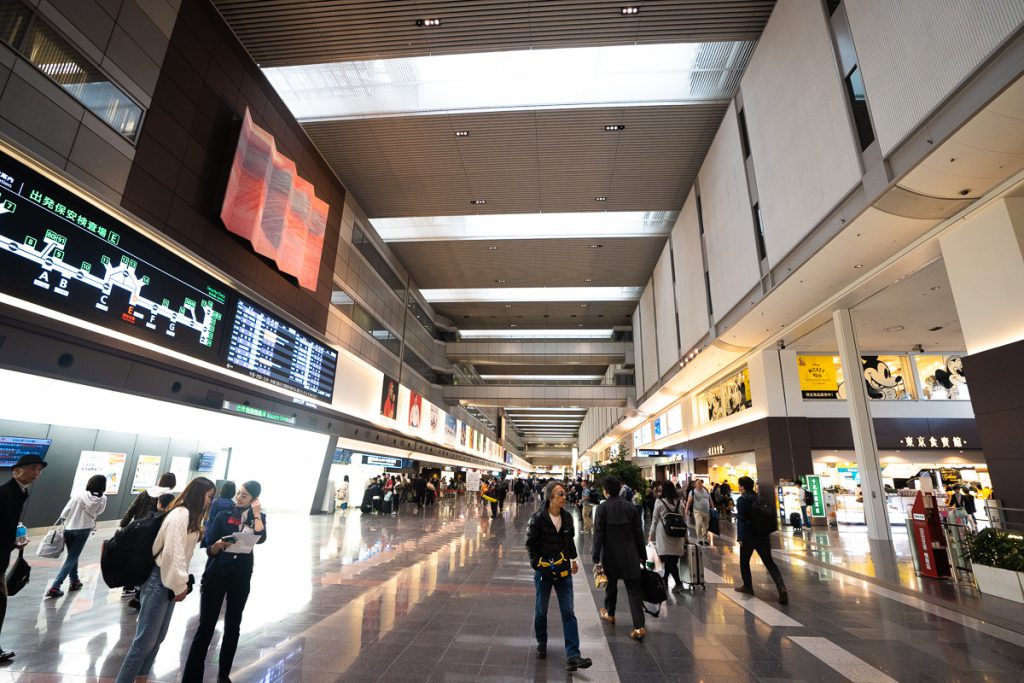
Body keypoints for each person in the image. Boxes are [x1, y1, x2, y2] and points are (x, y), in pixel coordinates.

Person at [115, 477, 217, 683]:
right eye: (209, 497)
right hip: (159, 579)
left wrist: (179, 583)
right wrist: (180, 584)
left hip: (167, 581)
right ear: (198, 495)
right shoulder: (181, 514)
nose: (210, 502)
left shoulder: (189, 516)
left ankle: (141, 678)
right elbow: (173, 553)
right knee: (144, 641)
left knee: (157, 638)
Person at [182, 481, 267, 682]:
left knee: (233, 625)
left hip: (240, 577)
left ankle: (223, 675)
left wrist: (256, 513)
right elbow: (208, 546)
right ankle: (192, 677)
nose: (238, 498)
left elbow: (262, 537)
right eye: (238, 493)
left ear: (254, 500)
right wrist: (218, 546)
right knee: (206, 626)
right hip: (216, 574)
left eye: (244, 496)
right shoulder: (223, 515)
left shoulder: (258, 519)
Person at [525, 481, 592, 673]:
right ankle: (542, 642)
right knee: (541, 611)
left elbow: (569, 541)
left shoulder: (568, 518)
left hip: (563, 571)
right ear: (550, 497)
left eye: (564, 493)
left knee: (568, 612)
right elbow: (530, 543)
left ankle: (573, 655)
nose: (564, 496)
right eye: (560, 494)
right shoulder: (537, 519)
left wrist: (573, 559)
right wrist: (537, 564)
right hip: (544, 571)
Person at [0, 453, 46, 661]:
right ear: (17, 471)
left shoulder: (17, 492)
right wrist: (11, 542)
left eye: (39, 470)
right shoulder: (6, 493)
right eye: (33, 468)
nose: (37, 474)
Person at [593, 476, 646, 641]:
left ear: (606, 491)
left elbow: (598, 534)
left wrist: (596, 556)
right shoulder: (631, 507)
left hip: (610, 555)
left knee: (611, 585)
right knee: (633, 591)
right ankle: (639, 627)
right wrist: (642, 555)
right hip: (630, 555)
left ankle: (610, 613)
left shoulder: (603, 508)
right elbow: (639, 533)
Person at [46, 474, 108, 597]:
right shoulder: (103, 498)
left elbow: (64, 512)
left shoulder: (79, 495)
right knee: (72, 557)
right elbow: (99, 512)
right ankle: (55, 586)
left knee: (72, 555)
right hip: (84, 529)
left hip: (69, 528)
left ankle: (74, 581)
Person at [120, 472, 177, 597]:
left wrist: (124, 524)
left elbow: (132, 508)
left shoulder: (147, 491)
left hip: (137, 527)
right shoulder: (168, 496)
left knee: (134, 556)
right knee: (145, 558)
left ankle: (128, 585)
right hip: (152, 531)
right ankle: (139, 585)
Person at [734, 476, 788, 605]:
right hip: (763, 535)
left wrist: (740, 537)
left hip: (748, 536)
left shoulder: (742, 500)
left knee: (744, 562)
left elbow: (742, 520)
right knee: (769, 562)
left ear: (742, 486)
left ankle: (748, 586)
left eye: (739, 485)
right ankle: (781, 586)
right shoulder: (760, 497)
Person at [649, 481, 685, 593]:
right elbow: (683, 517)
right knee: (672, 559)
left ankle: (679, 584)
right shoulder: (679, 502)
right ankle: (664, 579)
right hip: (678, 533)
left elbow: (654, 520)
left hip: (665, 534)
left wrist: (651, 535)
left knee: (670, 560)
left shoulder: (659, 502)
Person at [686, 478, 712, 545]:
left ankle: (705, 539)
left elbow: (709, 499)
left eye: (701, 482)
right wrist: (686, 509)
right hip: (697, 510)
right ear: (695, 485)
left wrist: (713, 507)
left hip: (706, 510)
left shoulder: (706, 490)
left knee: (706, 526)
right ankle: (700, 538)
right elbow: (689, 501)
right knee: (699, 523)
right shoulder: (692, 492)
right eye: (698, 483)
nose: (700, 484)